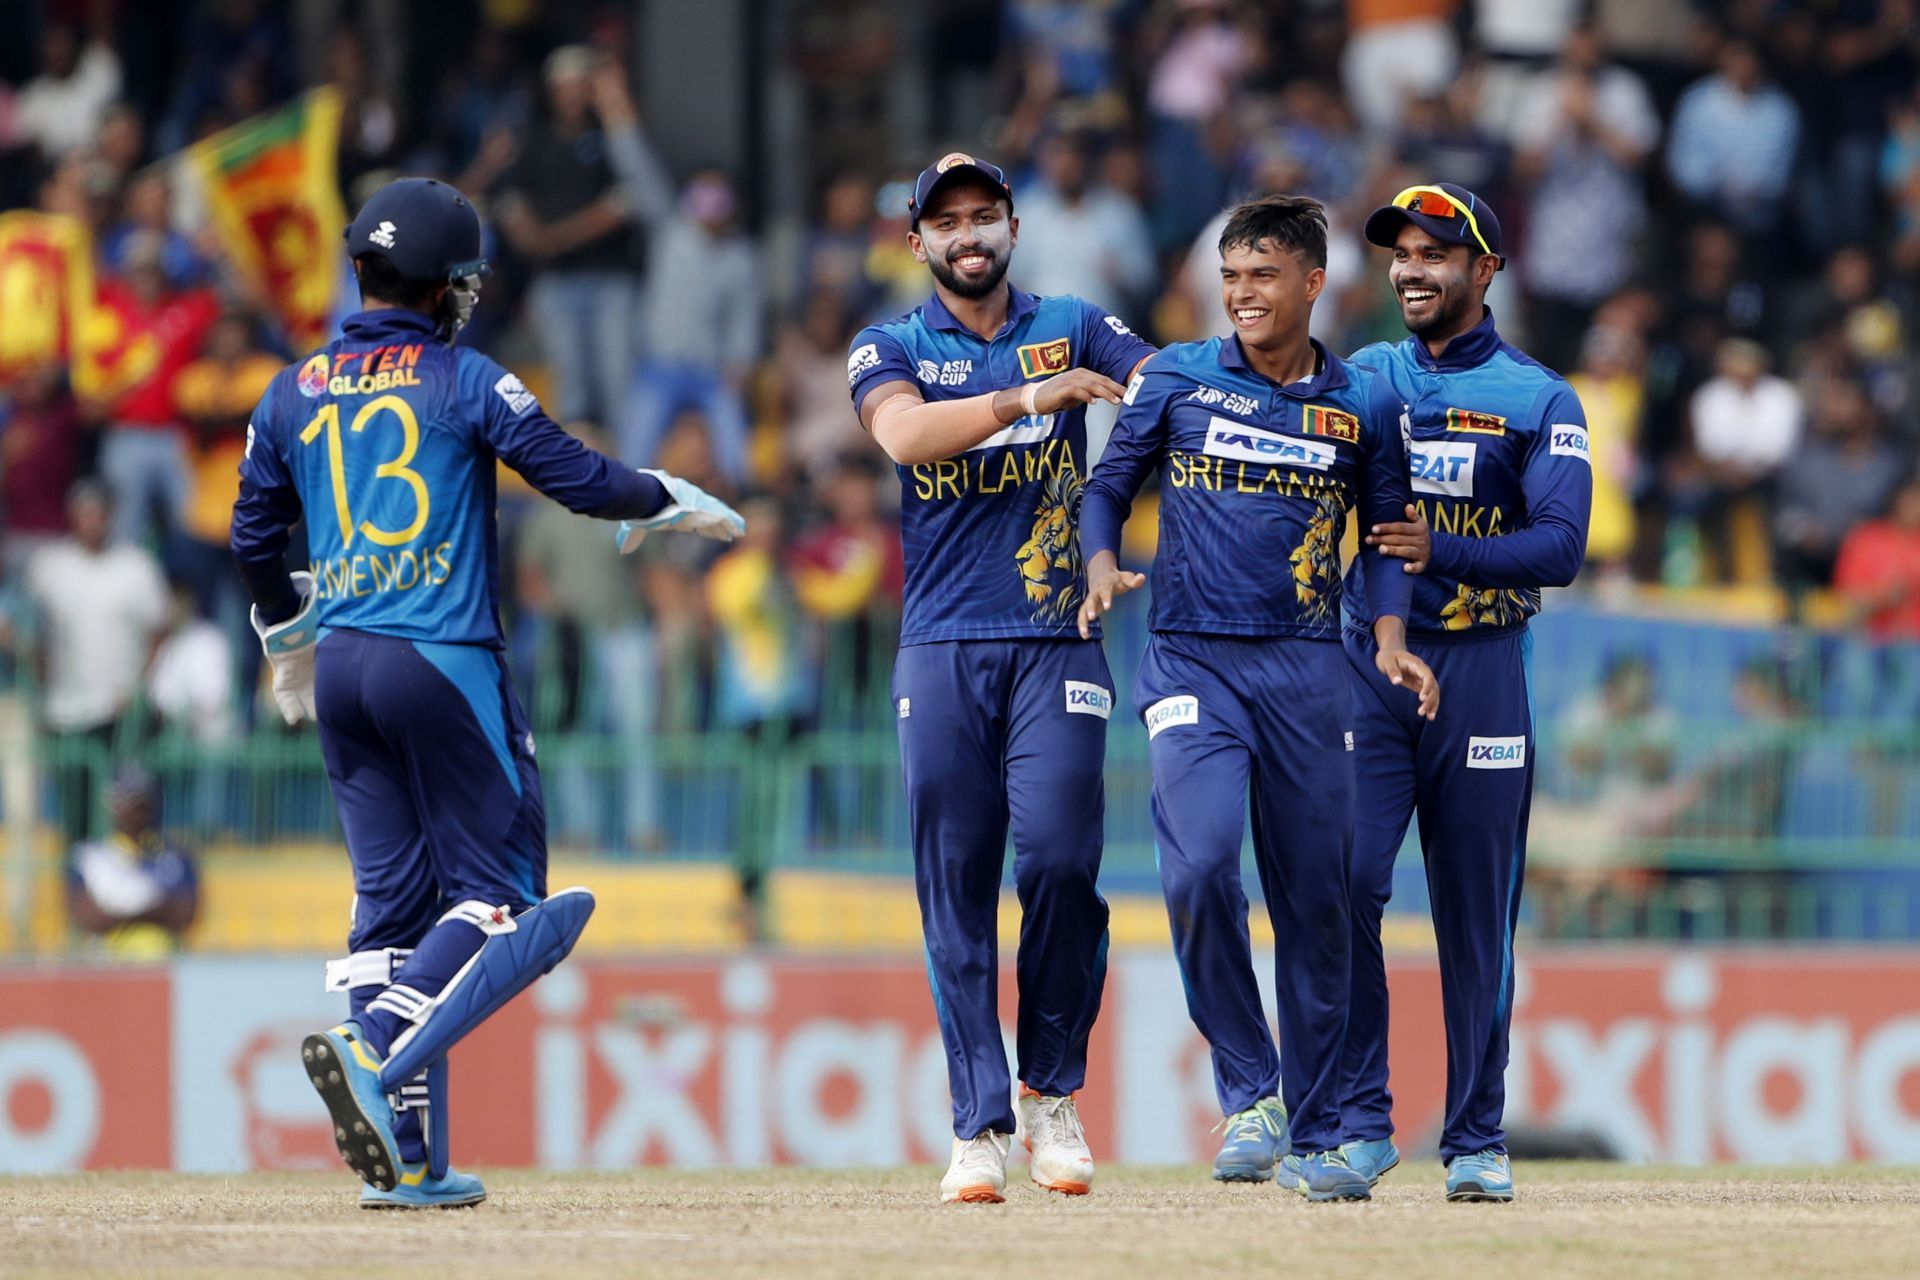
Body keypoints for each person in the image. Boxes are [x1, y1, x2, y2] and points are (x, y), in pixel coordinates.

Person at [230, 177, 742, 1209]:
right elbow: (579, 478)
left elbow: (251, 535)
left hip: (344, 669)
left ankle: (409, 1157)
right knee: (499, 894)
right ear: (440, 286)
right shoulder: (463, 377)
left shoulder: (290, 389)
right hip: (442, 662)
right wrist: (670, 499)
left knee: (392, 912)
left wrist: (284, 634)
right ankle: (369, 1044)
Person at [1077, 195, 1436, 1202]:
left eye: (1262, 277)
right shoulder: (1178, 378)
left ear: (1314, 284)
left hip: (1311, 672)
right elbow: (1108, 485)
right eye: (1230, 278)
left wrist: (1393, 638)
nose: (1240, 296)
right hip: (1191, 660)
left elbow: (1393, 539)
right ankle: (1251, 1090)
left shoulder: (1362, 405)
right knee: (1195, 870)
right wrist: (1101, 563)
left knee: (1317, 906)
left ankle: (1320, 1136)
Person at [846, 152, 1154, 1204]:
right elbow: (903, 435)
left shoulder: (1074, 318)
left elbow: (1158, 384)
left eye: (985, 217)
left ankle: (1050, 1094)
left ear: (1014, 228)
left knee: (1064, 863)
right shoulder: (889, 343)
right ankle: (976, 1125)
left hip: (1058, 635)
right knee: (956, 890)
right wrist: (1032, 394)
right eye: (948, 222)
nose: (968, 235)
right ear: (917, 241)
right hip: (941, 644)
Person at [1336, 183, 1593, 1202]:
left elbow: (1561, 547)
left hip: (1483, 672)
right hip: (1369, 673)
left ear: (1486, 270)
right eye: (1401, 252)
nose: (1411, 268)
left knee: (1476, 916)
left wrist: (1442, 545)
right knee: (1343, 885)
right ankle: (1360, 1123)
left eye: (1437, 252)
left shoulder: (1541, 398)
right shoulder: (1359, 378)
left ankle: (1477, 1138)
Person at [25, 480, 169, 844]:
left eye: (98, 512)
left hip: (117, 709)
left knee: (122, 808)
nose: (91, 520)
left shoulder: (135, 567)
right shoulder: (50, 567)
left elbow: (158, 633)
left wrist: (138, 686)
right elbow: (37, 636)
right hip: (65, 708)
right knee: (74, 812)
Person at [65, 768, 199, 958]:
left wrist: (121, 911)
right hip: (107, 968)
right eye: (130, 801)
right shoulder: (89, 857)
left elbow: (185, 915)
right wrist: (154, 909)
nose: (138, 810)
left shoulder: (177, 858)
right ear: (112, 802)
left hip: (162, 966)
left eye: (142, 802)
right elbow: (88, 918)